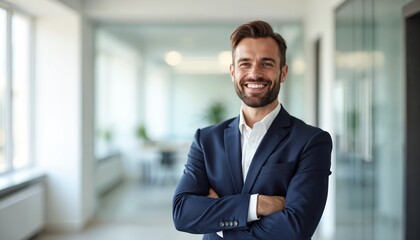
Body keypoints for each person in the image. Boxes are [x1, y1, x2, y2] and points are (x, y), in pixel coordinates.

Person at [172, 20, 332, 240]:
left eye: (266, 63)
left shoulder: (311, 141)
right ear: (233, 72)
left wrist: (218, 221)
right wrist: (256, 204)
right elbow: (182, 213)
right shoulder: (206, 139)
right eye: (245, 63)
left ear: (283, 73)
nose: (254, 74)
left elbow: (296, 228)